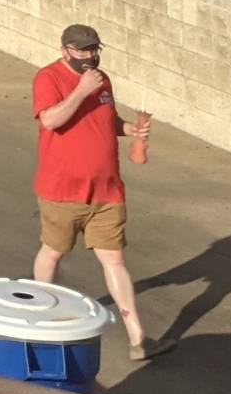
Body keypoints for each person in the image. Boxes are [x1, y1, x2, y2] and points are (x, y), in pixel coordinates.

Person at [31, 24, 163, 359]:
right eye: (83, 50)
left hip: (106, 190)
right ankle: (40, 320)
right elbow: (50, 121)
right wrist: (80, 90)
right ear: (65, 50)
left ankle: (139, 339)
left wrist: (130, 128)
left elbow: (106, 120)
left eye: (94, 49)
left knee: (115, 259)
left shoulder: (102, 79)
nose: (90, 57)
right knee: (53, 252)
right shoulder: (48, 78)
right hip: (62, 189)